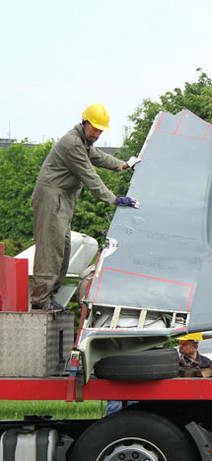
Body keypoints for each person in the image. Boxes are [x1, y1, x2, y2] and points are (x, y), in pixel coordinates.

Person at [30, 103, 141, 311]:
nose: (98, 133)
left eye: (101, 130)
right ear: (85, 122)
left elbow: (97, 156)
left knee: (62, 249)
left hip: (61, 199)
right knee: (50, 250)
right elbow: (89, 175)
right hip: (51, 199)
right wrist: (113, 199)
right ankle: (40, 302)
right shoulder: (72, 144)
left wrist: (123, 164)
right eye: (95, 129)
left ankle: (48, 298)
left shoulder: (82, 141)